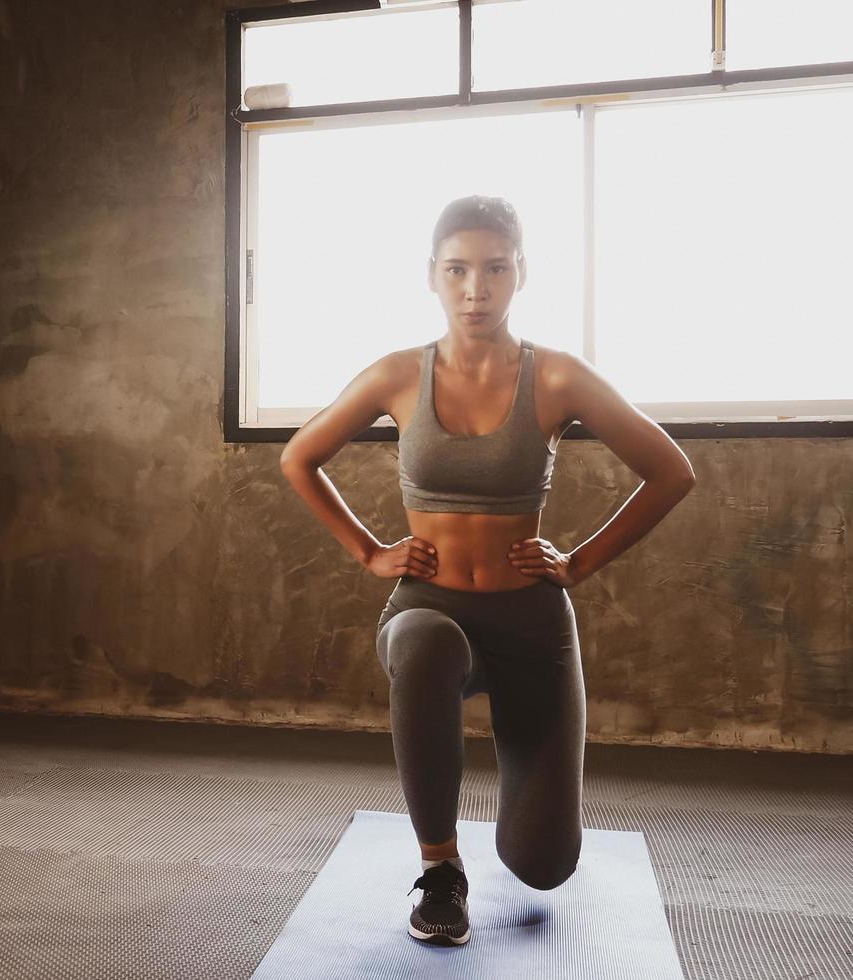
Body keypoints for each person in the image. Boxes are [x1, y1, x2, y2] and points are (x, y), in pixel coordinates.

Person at [278, 195, 696, 946]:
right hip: (428, 608)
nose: (477, 288)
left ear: (520, 273)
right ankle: (440, 869)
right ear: (433, 278)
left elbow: (671, 471)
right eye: (458, 270)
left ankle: (524, 799)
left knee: (542, 866)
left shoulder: (558, 377)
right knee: (425, 644)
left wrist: (578, 562)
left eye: (495, 269)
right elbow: (298, 458)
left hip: (531, 620)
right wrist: (371, 552)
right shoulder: (398, 375)